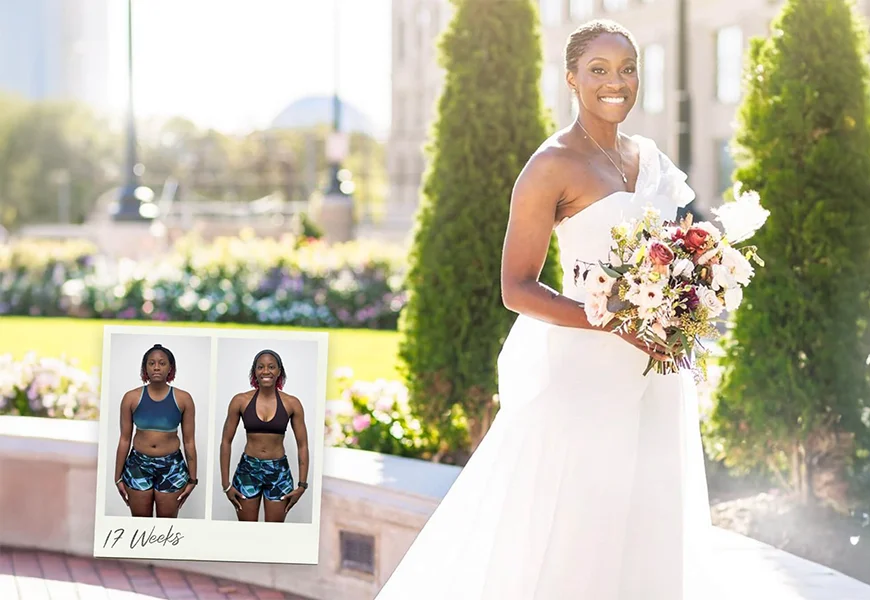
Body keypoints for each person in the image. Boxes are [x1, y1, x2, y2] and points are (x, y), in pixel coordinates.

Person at [375, 19, 711, 599]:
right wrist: (614, 322)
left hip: (658, 372)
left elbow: (682, 250)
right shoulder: (550, 164)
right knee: (580, 529)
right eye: (599, 71)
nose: (616, 82)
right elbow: (517, 287)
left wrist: (694, 291)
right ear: (571, 80)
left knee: (652, 521)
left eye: (627, 70)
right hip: (583, 375)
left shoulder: (650, 159)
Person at [220, 349, 310, 523]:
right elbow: (225, 441)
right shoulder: (240, 401)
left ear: (279, 371)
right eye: (260, 367)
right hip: (248, 470)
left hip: (279, 473)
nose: (266, 371)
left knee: (273, 534)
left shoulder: (292, 403)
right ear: (254, 371)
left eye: (271, 367)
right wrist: (226, 485)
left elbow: (303, 445)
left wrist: (302, 485)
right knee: (247, 532)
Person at [114, 343, 198, 518]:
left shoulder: (183, 399)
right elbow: (124, 439)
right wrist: (117, 477)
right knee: (140, 524)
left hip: (172, 467)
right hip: (138, 466)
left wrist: (193, 479)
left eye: (162, 363)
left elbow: (189, 441)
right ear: (145, 368)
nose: (157, 367)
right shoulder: (131, 398)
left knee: (165, 527)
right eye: (151, 363)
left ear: (170, 368)